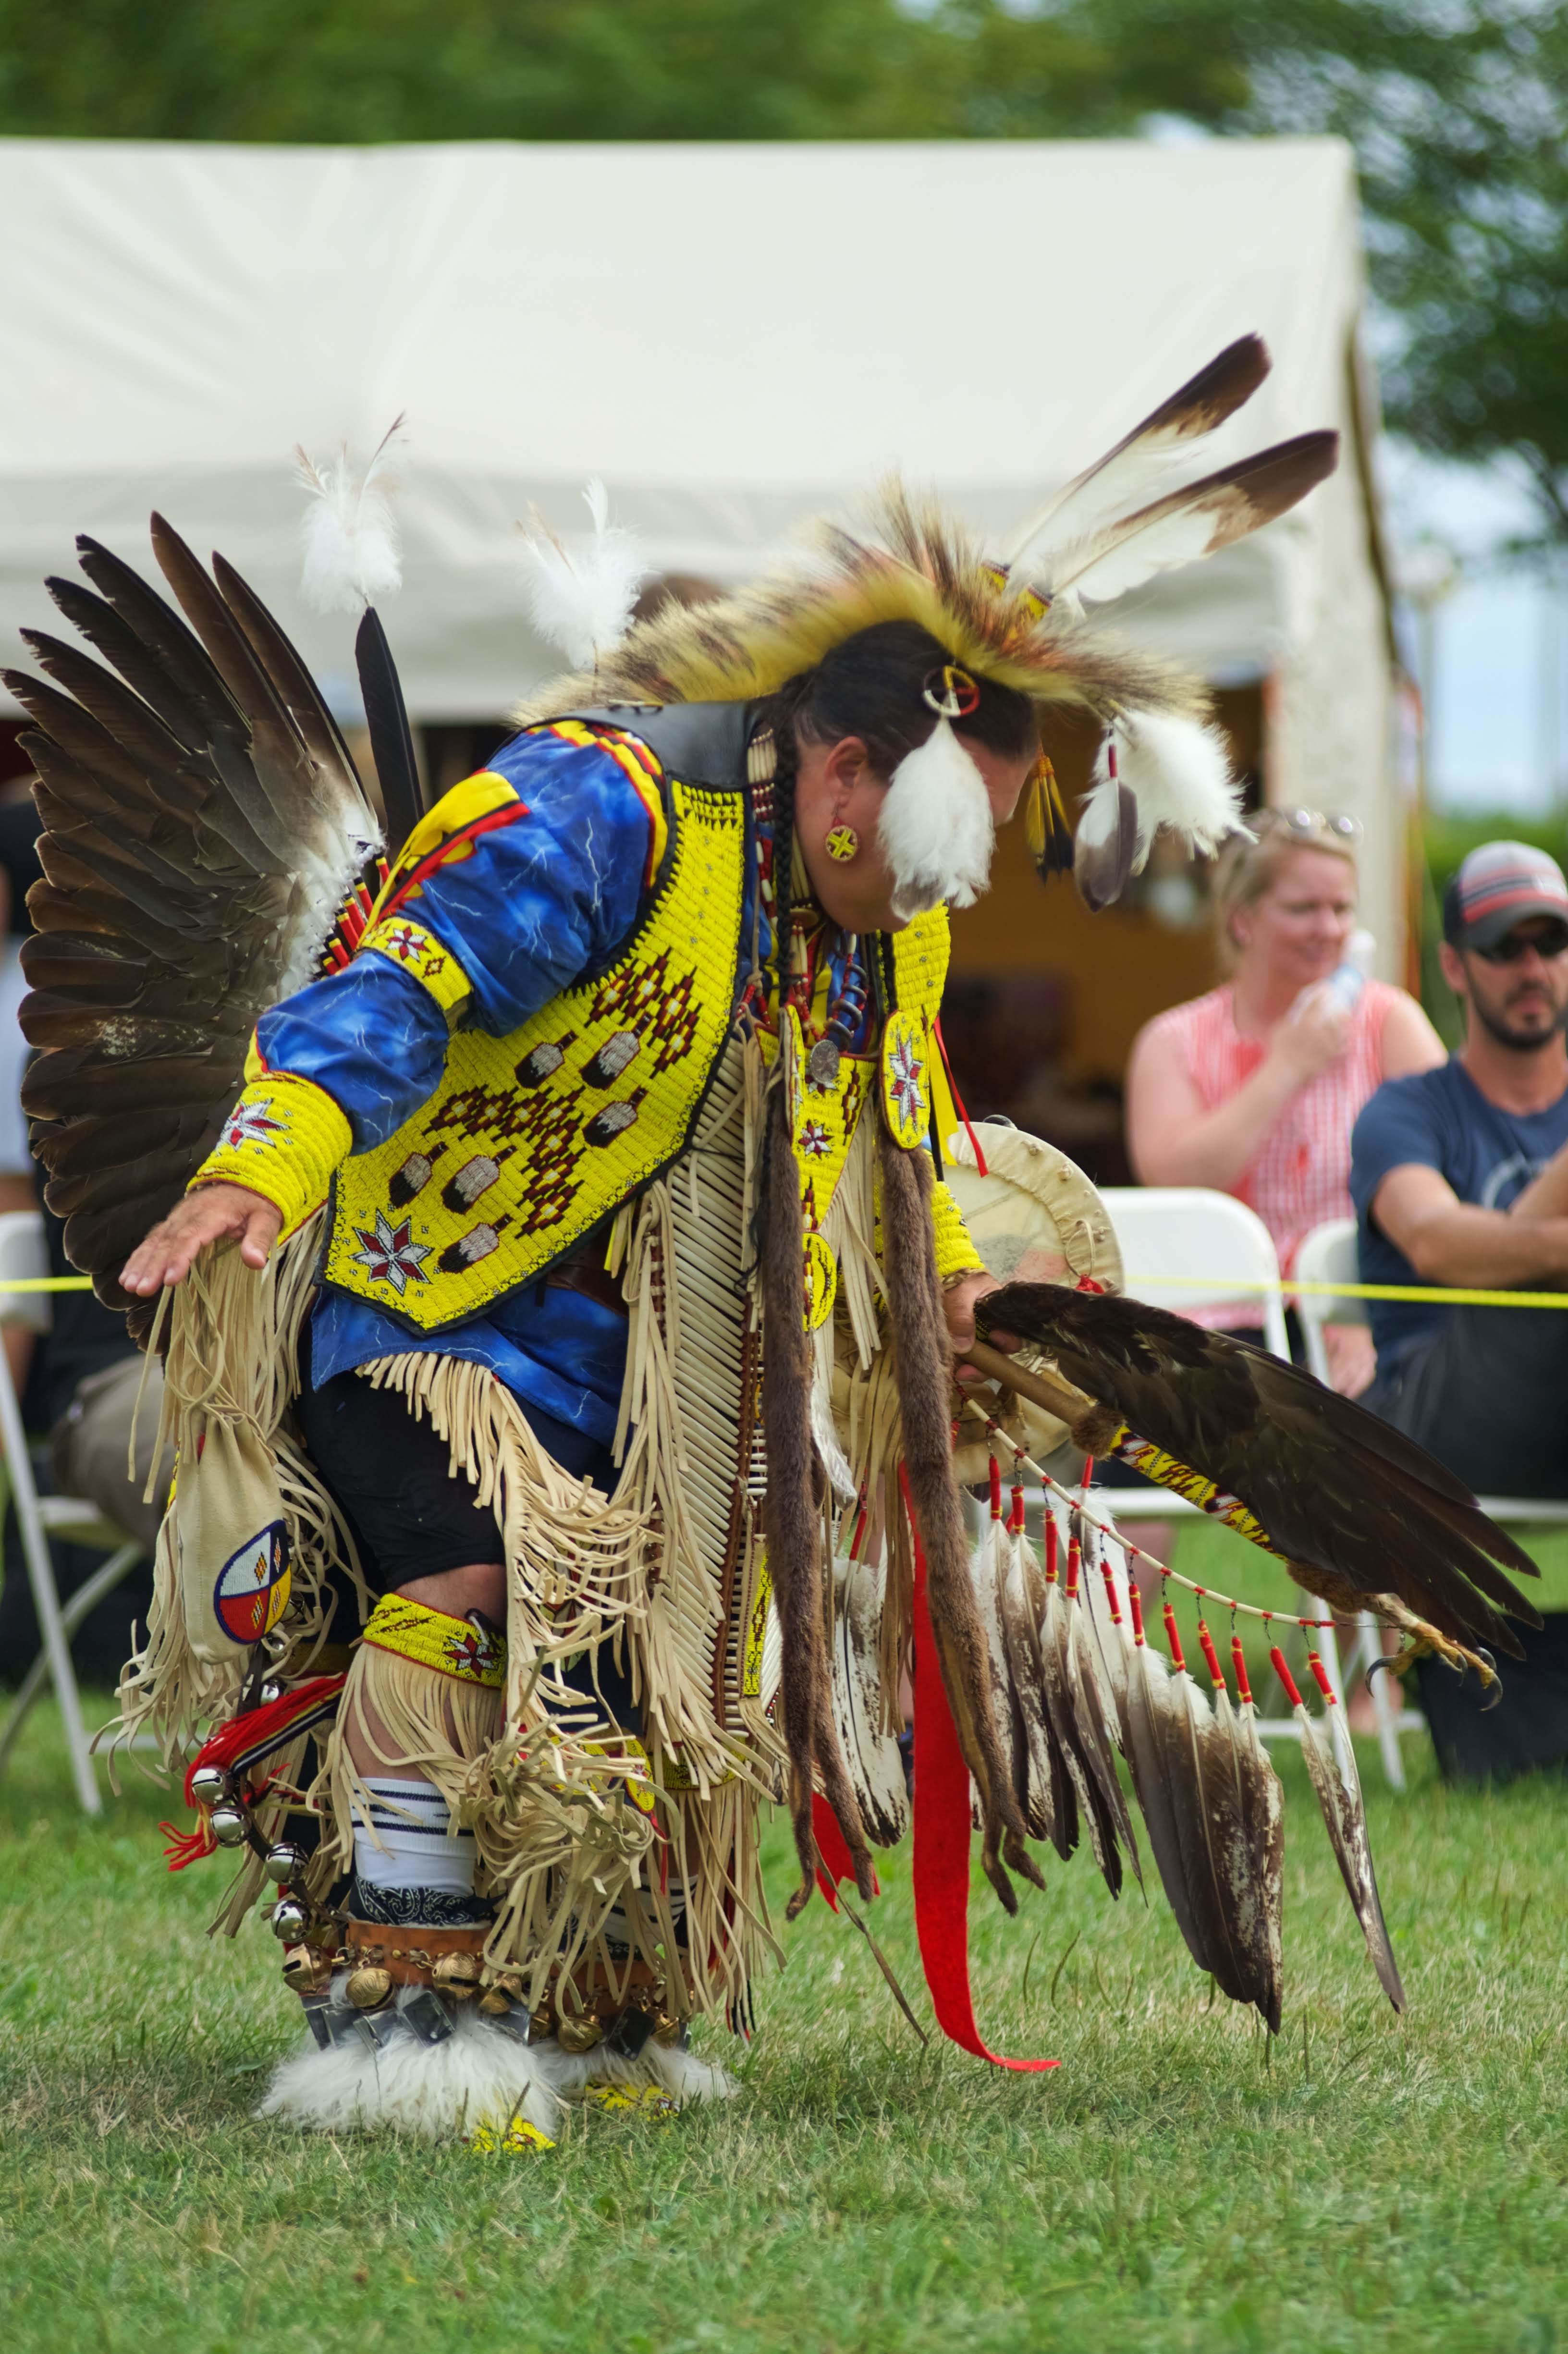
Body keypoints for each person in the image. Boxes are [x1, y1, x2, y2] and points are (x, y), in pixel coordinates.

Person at [22, 339, 1435, 2147]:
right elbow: (397, 985)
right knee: (461, 1585)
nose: (943, 891)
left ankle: (599, 1997)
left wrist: (950, 1300)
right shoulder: (594, 813)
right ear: (843, 770)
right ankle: (399, 2008)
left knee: (660, 1666)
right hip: (424, 1304)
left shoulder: (880, 917)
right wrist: (263, 1158)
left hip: (665, 1378)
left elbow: (895, 1144)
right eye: (933, 840)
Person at [1126, 808, 1445, 1393]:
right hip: (1215, 1336)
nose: (1329, 928)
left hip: (1359, 1322)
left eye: (1342, 908)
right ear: (1244, 919)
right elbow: (1173, 1176)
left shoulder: (1389, 1021)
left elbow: (1444, 1180)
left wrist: (1366, 1311)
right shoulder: (1173, 1041)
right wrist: (1287, 1066)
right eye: (1303, 908)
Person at [1351, 840, 1568, 1499]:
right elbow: (1435, 1242)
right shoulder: (1404, 1109)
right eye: (1505, 948)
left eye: (1553, 943)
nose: (1533, 968)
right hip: (1432, 1421)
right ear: (1453, 965)